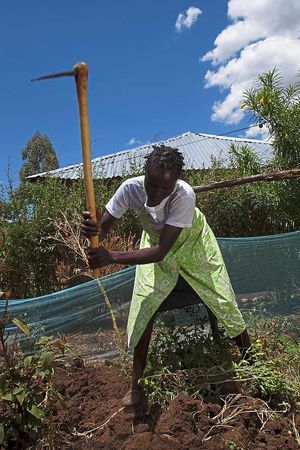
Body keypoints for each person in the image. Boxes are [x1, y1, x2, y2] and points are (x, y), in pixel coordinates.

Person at [81, 145, 251, 406]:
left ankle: (251, 360)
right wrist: (93, 230)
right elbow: (103, 229)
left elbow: (162, 252)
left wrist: (112, 256)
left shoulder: (185, 195)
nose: (156, 193)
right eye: (152, 184)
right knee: (144, 305)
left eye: (165, 189)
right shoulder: (130, 189)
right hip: (154, 243)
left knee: (223, 300)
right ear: (145, 172)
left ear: (176, 184)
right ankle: (136, 386)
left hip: (194, 245)